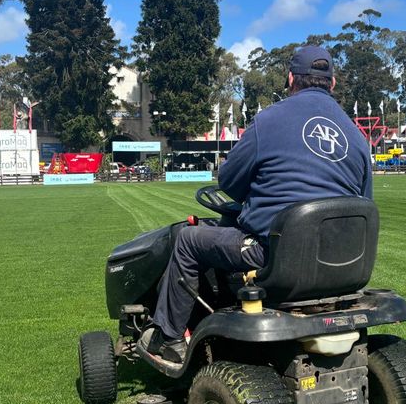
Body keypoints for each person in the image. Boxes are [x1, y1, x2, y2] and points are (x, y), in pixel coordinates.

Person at [139, 44, 373, 365]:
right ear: (332, 83)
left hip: (274, 255)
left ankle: (169, 338)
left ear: (290, 78)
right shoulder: (357, 137)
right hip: (341, 264)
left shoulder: (269, 121)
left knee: (188, 240)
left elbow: (229, 181)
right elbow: (363, 204)